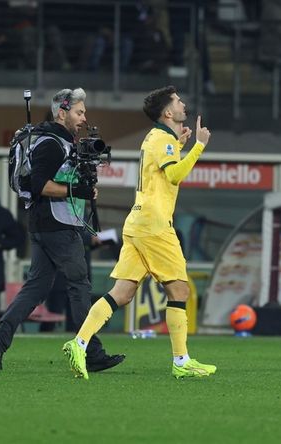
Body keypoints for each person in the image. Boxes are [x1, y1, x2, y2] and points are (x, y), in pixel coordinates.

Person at [62, 85, 216, 380]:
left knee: (122, 292)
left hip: (137, 223)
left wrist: (179, 145)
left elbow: (162, 172)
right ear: (168, 112)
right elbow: (174, 175)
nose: (183, 104)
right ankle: (181, 361)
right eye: (177, 101)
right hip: (154, 226)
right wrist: (199, 146)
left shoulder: (157, 137)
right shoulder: (163, 140)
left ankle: (79, 343)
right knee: (179, 290)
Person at [0, 88, 124, 373]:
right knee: (79, 285)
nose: (83, 118)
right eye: (79, 112)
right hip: (58, 225)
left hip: (45, 224)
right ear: (62, 112)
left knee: (36, 287)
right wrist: (79, 190)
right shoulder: (52, 144)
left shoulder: (56, 141)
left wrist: (81, 186)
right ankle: (90, 351)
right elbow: (40, 185)